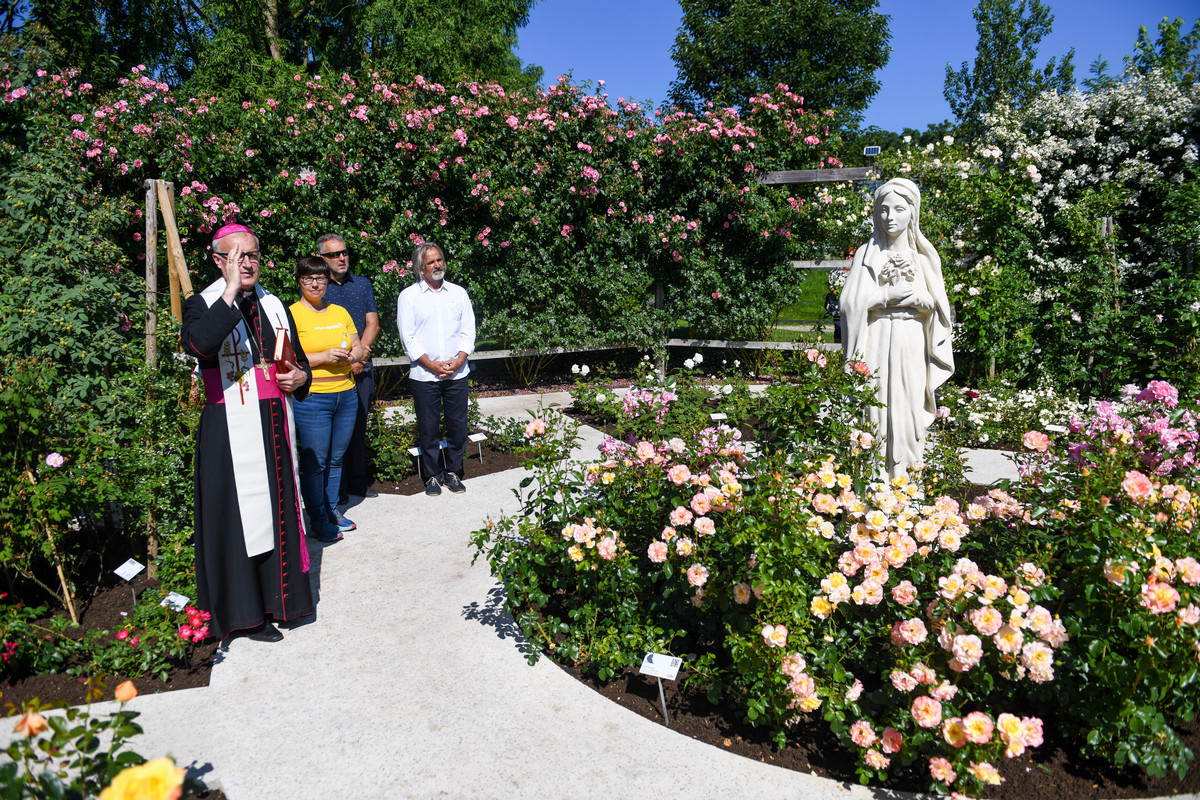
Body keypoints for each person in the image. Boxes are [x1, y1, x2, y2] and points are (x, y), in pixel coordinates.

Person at [182, 223, 315, 643]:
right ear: (220, 261)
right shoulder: (200, 302)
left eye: (253, 255)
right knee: (238, 521)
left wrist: (300, 377)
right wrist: (229, 289)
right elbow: (200, 345)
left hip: (274, 418)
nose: (248, 263)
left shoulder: (275, 304)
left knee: (278, 513)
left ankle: (284, 601)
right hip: (228, 428)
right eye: (238, 256)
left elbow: (300, 362)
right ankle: (246, 615)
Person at [840, 178, 954, 479]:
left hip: (911, 339)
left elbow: (939, 307)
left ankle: (907, 483)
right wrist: (883, 297)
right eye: (883, 210)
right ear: (876, 213)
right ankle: (875, 480)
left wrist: (922, 301)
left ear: (913, 213)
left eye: (899, 209)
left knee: (910, 408)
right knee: (874, 406)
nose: (890, 217)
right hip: (876, 336)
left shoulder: (924, 256)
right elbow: (850, 303)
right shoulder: (868, 253)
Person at [290, 255, 363, 539]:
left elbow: (357, 346)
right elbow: (286, 355)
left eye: (320, 278)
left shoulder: (340, 312)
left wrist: (352, 356)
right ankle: (317, 518)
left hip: (346, 394)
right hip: (313, 398)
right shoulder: (291, 314)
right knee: (316, 462)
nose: (315, 283)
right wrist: (323, 357)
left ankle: (331, 510)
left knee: (335, 460)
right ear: (299, 281)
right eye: (308, 278)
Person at [397, 242, 476, 496]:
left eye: (439, 259)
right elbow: (408, 338)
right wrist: (431, 365)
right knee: (428, 428)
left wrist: (459, 360)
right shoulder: (408, 296)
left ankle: (453, 471)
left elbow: (468, 331)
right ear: (421, 268)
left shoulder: (458, 293)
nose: (437, 265)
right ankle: (432, 475)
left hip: (457, 373)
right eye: (431, 262)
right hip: (424, 375)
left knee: (458, 426)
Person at [318, 234, 380, 503]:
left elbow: (373, 324)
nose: (341, 258)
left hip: (361, 369)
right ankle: (336, 488)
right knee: (332, 430)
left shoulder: (362, 284)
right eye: (334, 255)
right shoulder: (317, 288)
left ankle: (357, 482)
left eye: (344, 252)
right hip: (331, 373)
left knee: (358, 428)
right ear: (321, 258)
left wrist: (358, 359)